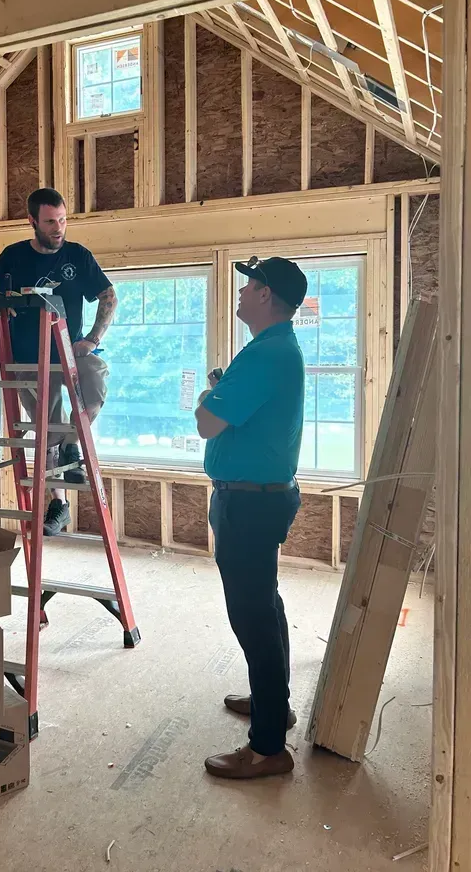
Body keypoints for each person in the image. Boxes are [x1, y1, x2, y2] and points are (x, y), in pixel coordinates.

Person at [194, 255, 307, 780]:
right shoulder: (272, 348)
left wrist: (207, 397)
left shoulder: (266, 354)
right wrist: (221, 394)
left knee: (252, 617)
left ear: (266, 295)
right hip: (259, 496)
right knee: (266, 604)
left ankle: (267, 748)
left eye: (248, 285)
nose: (240, 292)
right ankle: (273, 706)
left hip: (249, 504)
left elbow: (207, 422)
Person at [0, 187, 117, 536]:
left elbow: (109, 296)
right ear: (32, 222)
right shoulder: (12, 256)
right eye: (51, 222)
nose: (59, 229)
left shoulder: (78, 256)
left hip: (70, 353)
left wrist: (92, 340)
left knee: (97, 377)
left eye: (63, 220)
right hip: (26, 359)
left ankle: (73, 444)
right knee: (45, 429)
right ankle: (59, 504)